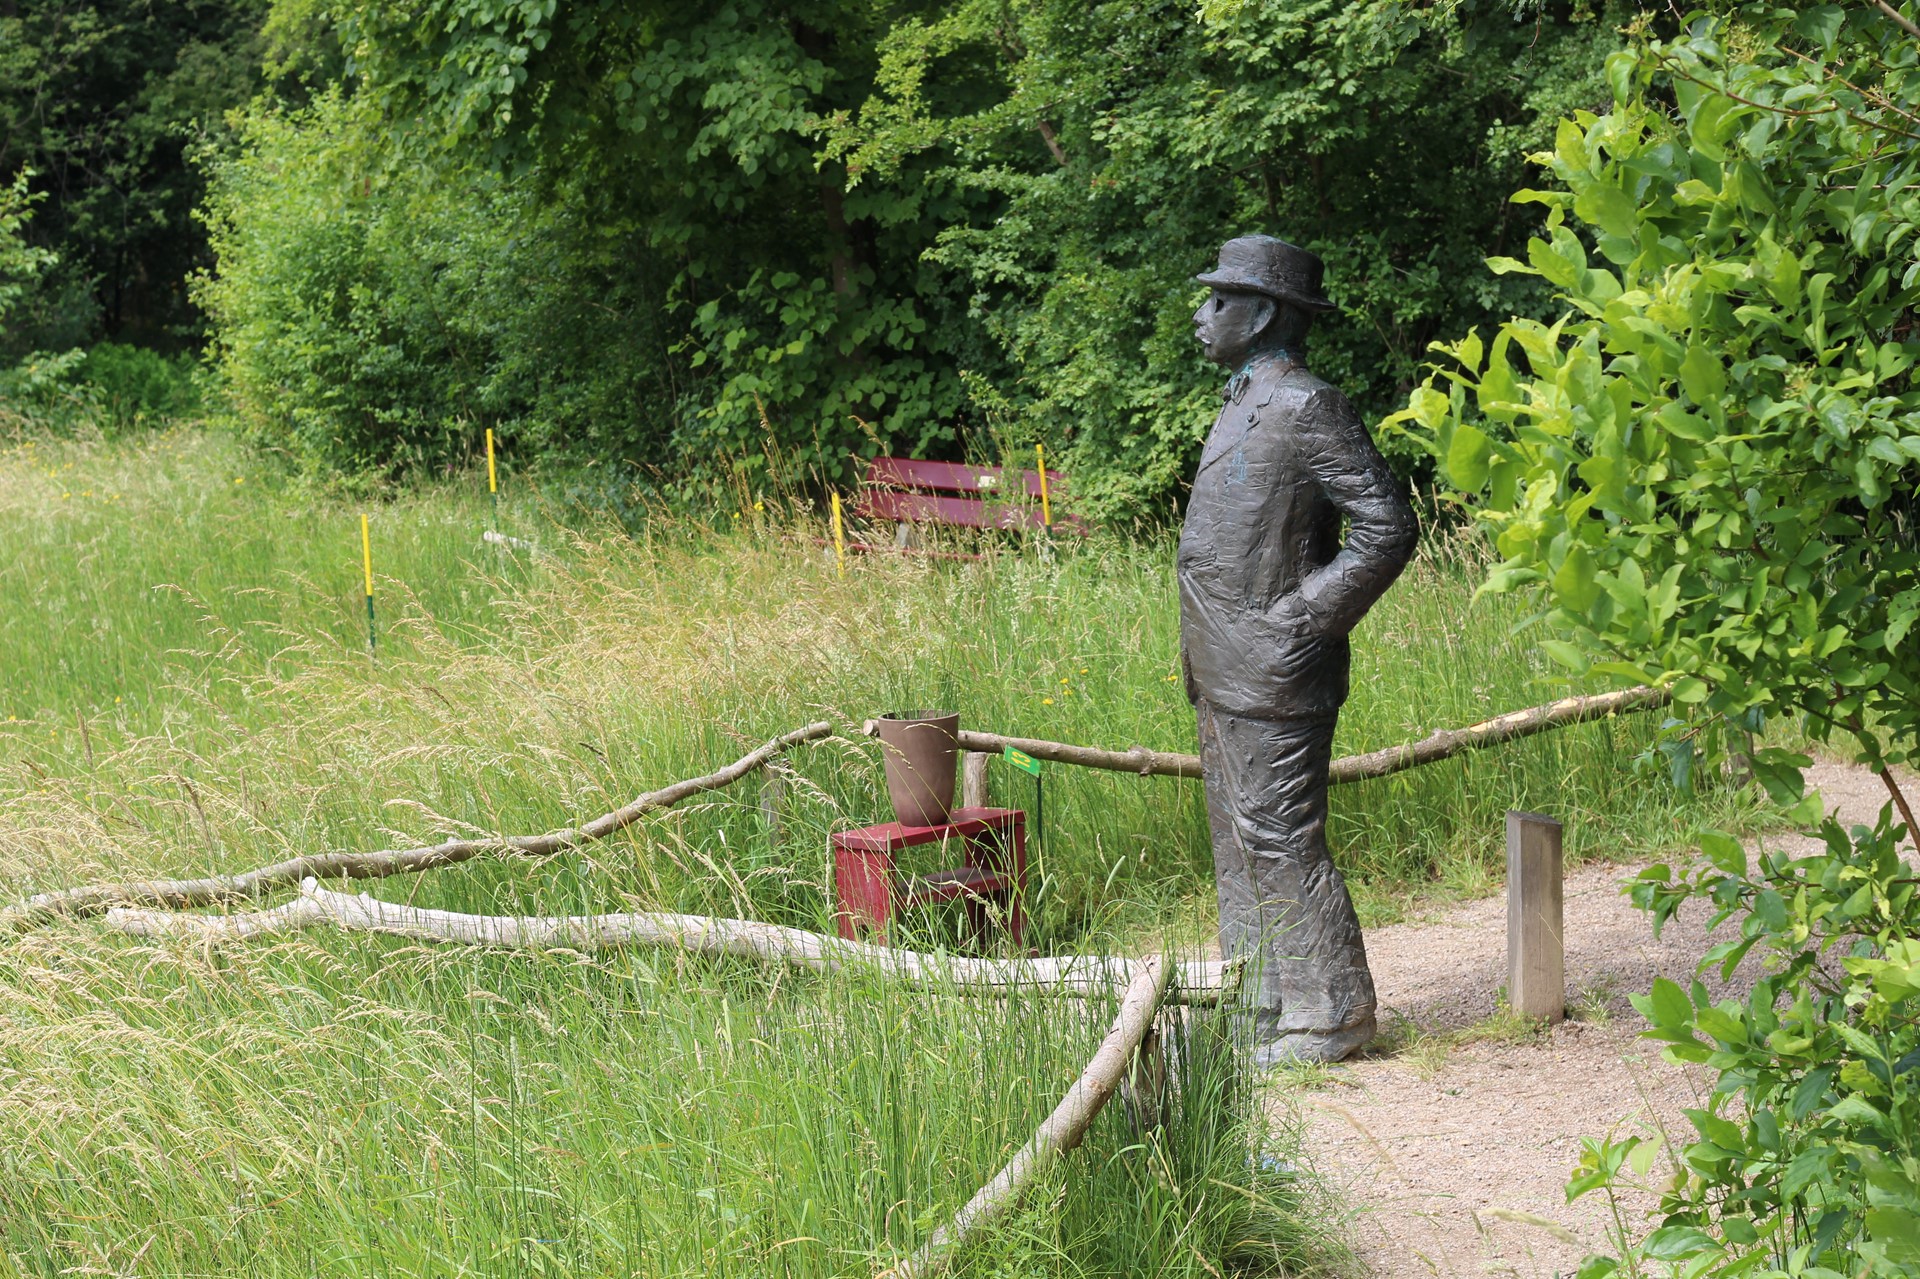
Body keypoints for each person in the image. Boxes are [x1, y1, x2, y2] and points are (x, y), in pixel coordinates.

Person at [1179, 235, 1418, 1064]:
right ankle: (1258, 1005)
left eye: (1219, 301)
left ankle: (1331, 1012)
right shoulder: (1244, 399)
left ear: (1266, 312)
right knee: (1236, 840)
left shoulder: (1309, 404)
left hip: (1276, 665)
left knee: (1280, 835)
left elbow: (1386, 525)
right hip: (1221, 665)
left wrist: (1304, 620)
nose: (1203, 317)